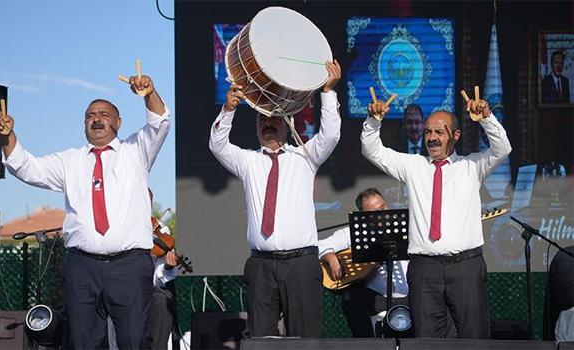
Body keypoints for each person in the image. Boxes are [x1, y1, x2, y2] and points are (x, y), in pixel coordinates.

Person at [0, 75, 170, 349]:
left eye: (104, 114)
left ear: (118, 122)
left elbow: (160, 122)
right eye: (90, 115)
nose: (96, 119)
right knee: (84, 342)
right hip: (81, 267)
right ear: (84, 123)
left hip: (129, 266)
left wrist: (149, 94)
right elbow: (27, 168)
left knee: (135, 341)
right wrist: (8, 137)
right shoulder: (69, 161)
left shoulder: (136, 151)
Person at [209, 60, 342, 337]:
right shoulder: (248, 162)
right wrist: (229, 109)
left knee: (305, 338)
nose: (267, 124)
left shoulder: (305, 158)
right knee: (260, 338)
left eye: (273, 120)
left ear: (287, 124)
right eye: (262, 120)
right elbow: (218, 145)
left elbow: (330, 135)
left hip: (301, 264)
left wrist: (328, 92)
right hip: (261, 265)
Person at [361, 95, 512, 338]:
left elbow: (503, 148)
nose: (432, 137)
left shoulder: (472, 166)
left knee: (474, 337)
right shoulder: (414, 166)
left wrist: (486, 118)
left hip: (465, 266)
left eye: (440, 132)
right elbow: (372, 150)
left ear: (456, 135)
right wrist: (373, 120)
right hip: (425, 268)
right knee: (426, 340)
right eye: (428, 132)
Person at [318, 188, 409, 337]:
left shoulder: (406, 230)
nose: (382, 215)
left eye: (383, 208)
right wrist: (331, 258)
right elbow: (320, 246)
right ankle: (367, 344)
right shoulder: (354, 232)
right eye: (375, 212)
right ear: (363, 215)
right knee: (351, 298)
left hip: (408, 297)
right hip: (376, 298)